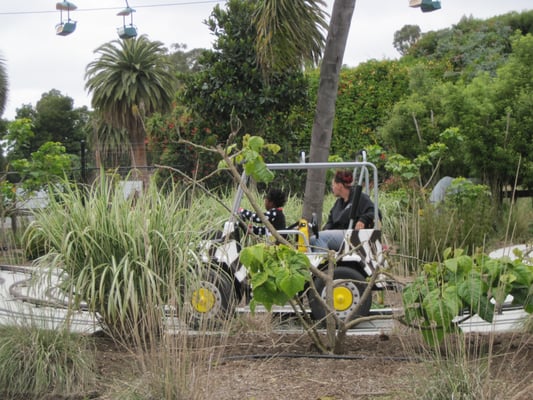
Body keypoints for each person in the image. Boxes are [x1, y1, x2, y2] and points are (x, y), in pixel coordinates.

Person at [310, 170, 377, 252]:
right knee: (314, 238)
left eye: (333, 185)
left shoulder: (359, 197)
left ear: (339, 185)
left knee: (318, 239)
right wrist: (326, 229)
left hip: (353, 235)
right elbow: (331, 221)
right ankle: (326, 260)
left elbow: (375, 212)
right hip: (341, 235)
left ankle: (323, 264)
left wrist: (363, 220)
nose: (332, 188)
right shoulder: (338, 203)